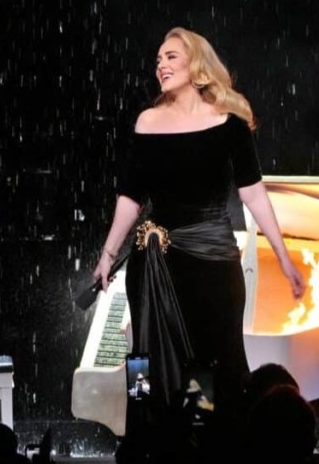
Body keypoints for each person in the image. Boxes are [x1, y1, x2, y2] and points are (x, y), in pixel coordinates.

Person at [93, 26, 305, 431]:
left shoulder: (230, 125)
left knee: (209, 359)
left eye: (171, 56)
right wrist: (107, 255)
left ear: (197, 65)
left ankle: (199, 437)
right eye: (158, 60)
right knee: (145, 359)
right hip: (157, 264)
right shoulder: (148, 123)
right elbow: (130, 196)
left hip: (213, 262)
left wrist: (283, 257)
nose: (161, 65)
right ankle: (146, 439)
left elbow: (254, 195)